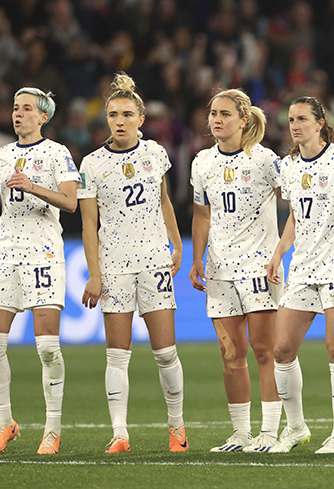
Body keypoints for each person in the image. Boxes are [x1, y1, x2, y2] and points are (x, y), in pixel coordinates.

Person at [0, 87, 80, 455]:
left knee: (47, 348)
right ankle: (4, 423)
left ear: (43, 117)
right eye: (15, 108)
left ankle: (52, 429)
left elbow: (70, 203)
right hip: (6, 254)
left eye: (26, 109)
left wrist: (33, 186)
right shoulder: (2, 155)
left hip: (44, 254)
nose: (17, 114)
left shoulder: (57, 153)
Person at [79, 73, 187, 454]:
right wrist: (94, 273)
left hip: (154, 260)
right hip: (113, 266)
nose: (119, 121)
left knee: (164, 352)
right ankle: (120, 434)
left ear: (141, 119)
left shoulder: (156, 153)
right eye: (113, 114)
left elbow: (164, 201)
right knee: (116, 353)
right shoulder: (91, 164)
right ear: (106, 118)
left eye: (127, 114)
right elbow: (88, 223)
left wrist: (176, 242)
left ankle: (177, 427)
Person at [189, 88, 283, 453]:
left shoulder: (266, 161)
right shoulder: (201, 162)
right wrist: (198, 259)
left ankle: (271, 432)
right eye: (213, 113)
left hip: (259, 267)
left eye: (225, 114)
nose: (216, 119)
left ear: (244, 119)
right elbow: (201, 214)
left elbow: (293, 204)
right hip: (219, 268)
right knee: (230, 355)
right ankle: (241, 433)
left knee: (264, 351)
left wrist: (282, 251)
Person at [266, 96, 334, 454]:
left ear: (321, 123)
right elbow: (294, 216)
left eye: (302, 118)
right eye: (291, 119)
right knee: (282, 348)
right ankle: (297, 427)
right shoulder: (288, 166)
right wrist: (279, 251)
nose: (295, 125)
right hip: (303, 267)